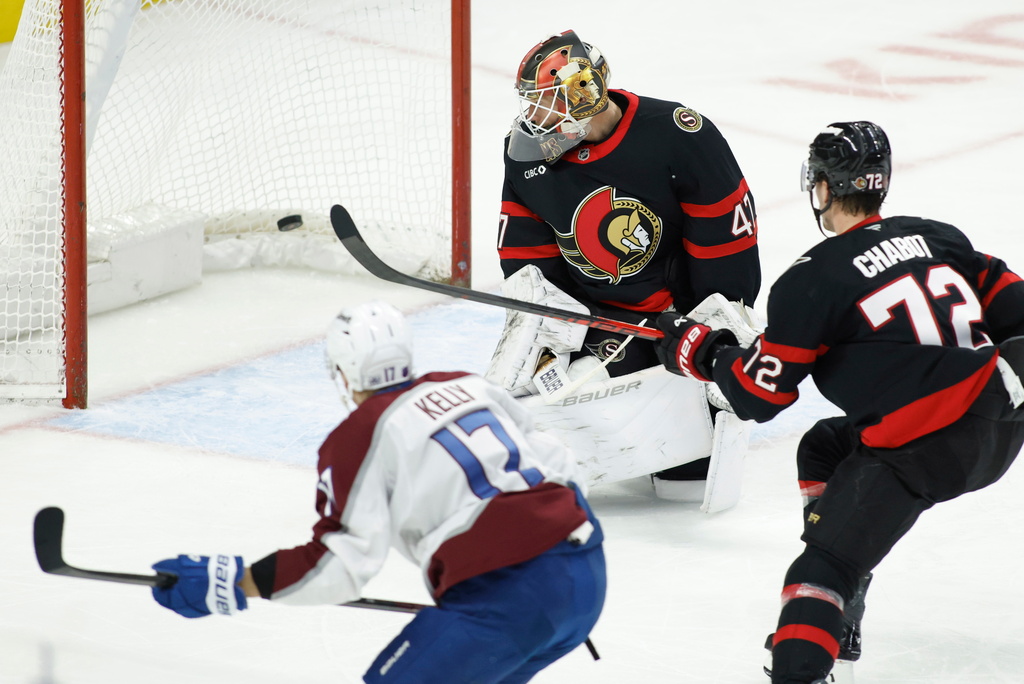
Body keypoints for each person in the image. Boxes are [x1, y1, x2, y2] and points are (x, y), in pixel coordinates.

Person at [653, 120, 1024, 683]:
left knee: (821, 568)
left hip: (920, 448)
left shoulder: (811, 279)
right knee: (824, 447)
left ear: (823, 188)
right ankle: (845, 602)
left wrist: (703, 353)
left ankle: (815, 639)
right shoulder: (939, 237)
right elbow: (1015, 306)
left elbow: (757, 396)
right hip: (1002, 424)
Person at [149, 301, 606, 684]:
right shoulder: (468, 384)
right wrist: (559, 573)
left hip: (510, 598)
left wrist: (235, 582)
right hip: (587, 574)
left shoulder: (358, 436)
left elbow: (338, 565)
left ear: (343, 373)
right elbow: (558, 461)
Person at [487, 29, 761, 500]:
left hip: (667, 325)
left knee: (682, 482)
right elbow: (528, 259)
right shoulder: (528, 155)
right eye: (530, 103)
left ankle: (683, 428)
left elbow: (726, 260)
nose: (535, 118)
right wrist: (552, 337)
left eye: (547, 102)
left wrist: (707, 342)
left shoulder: (678, 135)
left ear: (584, 92)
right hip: (591, 321)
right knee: (533, 402)